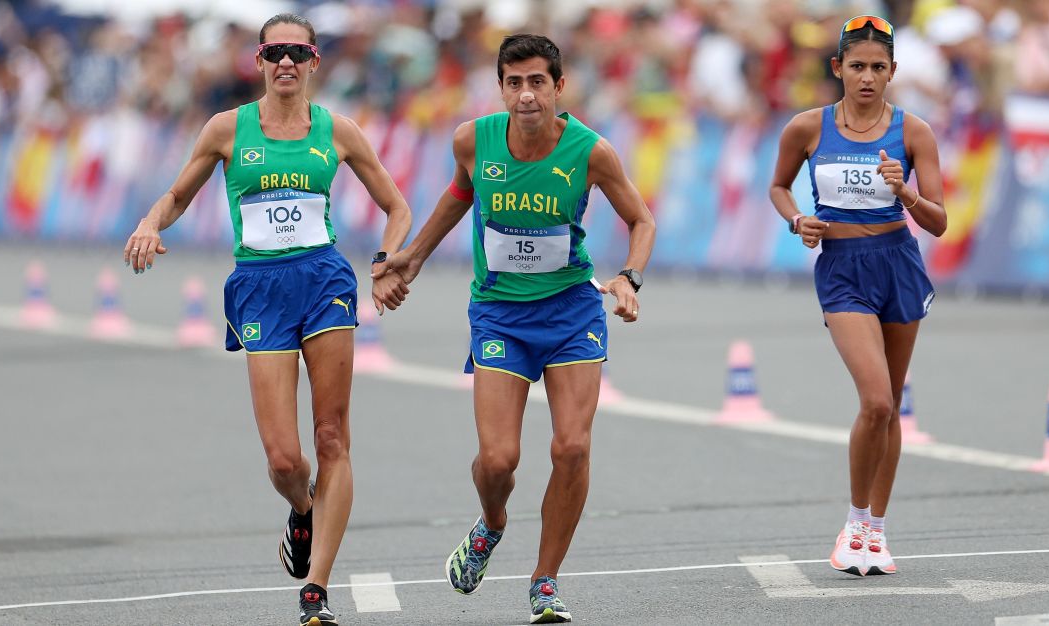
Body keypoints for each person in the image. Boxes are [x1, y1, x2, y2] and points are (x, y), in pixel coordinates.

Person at [123, 13, 411, 626]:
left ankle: (316, 588)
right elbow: (177, 196)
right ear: (258, 61)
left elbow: (396, 206)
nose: (285, 62)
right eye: (274, 52)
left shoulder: (338, 131)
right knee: (285, 459)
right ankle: (301, 510)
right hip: (259, 287)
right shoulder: (227, 129)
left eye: (297, 52)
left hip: (324, 281)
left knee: (332, 437)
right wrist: (151, 223)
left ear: (313, 62)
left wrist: (386, 261)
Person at [372, 34, 655, 623]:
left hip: (572, 311)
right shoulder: (473, 140)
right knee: (498, 461)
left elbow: (641, 219)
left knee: (572, 446)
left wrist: (629, 277)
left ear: (559, 86)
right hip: (500, 313)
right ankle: (492, 523)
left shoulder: (590, 151)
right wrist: (416, 257)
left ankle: (546, 581)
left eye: (536, 83)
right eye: (513, 83)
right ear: (500, 87)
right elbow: (459, 194)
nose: (526, 95)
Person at [769, 15, 947, 577]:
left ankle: (876, 531)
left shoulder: (914, 133)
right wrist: (798, 220)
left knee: (890, 407)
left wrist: (907, 193)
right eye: (856, 67)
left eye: (877, 68)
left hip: (898, 264)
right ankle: (852, 521)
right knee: (874, 400)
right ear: (837, 69)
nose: (867, 78)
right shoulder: (807, 128)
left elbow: (939, 222)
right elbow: (776, 186)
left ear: (893, 71)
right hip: (842, 270)